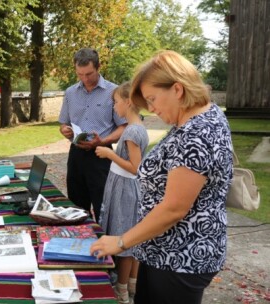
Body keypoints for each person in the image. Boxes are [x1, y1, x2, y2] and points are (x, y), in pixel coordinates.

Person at [90, 50, 233, 304]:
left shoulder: (197, 132)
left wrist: (121, 241)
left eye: (153, 99)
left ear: (177, 89)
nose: (152, 109)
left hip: (180, 257)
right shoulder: (194, 119)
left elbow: (173, 209)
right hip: (163, 252)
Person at [58, 47, 127, 222]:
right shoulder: (70, 92)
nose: (85, 79)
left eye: (89, 74)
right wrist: (64, 130)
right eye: (80, 74)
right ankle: (80, 245)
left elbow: (123, 127)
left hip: (102, 155)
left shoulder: (114, 92)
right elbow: (63, 123)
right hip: (76, 155)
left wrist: (102, 141)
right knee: (76, 207)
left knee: (103, 206)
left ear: (98, 67)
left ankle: (105, 245)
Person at [95, 81, 148, 303]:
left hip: (125, 190)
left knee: (124, 239)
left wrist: (109, 154)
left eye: (115, 102)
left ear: (128, 102)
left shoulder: (131, 131)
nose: (114, 107)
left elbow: (135, 167)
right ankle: (133, 283)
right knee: (131, 235)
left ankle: (122, 289)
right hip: (126, 187)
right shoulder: (138, 127)